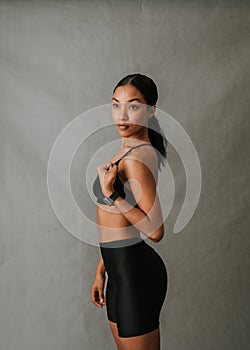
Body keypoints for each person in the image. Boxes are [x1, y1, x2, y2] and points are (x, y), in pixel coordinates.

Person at [91, 73, 168, 350]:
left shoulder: (137, 158)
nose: (121, 114)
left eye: (133, 106)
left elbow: (155, 231)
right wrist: (102, 269)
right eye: (115, 105)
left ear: (151, 111)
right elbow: (118, 225)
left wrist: (112, 193)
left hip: (136, 274)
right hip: (117, 271)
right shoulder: (124, 151)